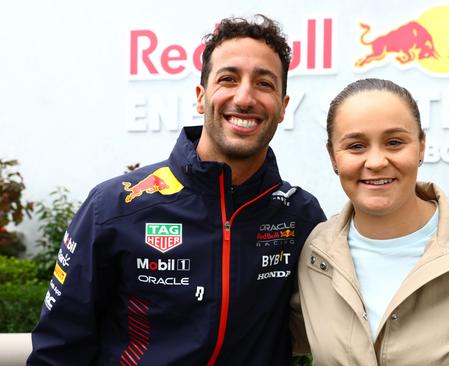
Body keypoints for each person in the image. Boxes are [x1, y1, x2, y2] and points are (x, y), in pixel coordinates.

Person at [28, 15, 325, 365]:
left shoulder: (299, 216)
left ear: (283, 107)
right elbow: (58, 350)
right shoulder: (114, 207)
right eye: (228, 79)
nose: (244, 98)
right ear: (201, 97)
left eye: (264, 84)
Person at [291, 78, 449, 365]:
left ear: (421, 147)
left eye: (394, 142)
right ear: (333, 156)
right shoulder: (316, 254)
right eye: (356, 146)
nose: (376, 161)